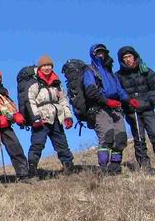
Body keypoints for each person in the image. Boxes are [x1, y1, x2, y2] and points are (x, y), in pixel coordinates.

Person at [83, 44, 138, 175]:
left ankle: (115, 167)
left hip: (116, 108)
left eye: (103, 52)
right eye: (98, 52)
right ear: (93, 54)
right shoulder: (90, 70)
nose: (101, 54)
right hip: (100, 108)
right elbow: (91, 91)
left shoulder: (109, 71)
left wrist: (129, 99)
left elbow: (119, 89)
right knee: (107, 138)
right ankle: (103, 168)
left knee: (120, 137)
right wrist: (107, 101)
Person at [27, 55, 75, 177]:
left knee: (62, 144)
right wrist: (36, 117)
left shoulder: (56, 83)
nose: (47, 68)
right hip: (41, 118)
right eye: (44, 65)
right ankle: (32, 169)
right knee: (37, 144)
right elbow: (30, 101)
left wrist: (68, 116)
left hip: (56, 118)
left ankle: (69, 167)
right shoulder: (35, 84)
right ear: (40, 68)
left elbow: (63, 100)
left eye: (49, 65)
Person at [116, 46, 155, 173]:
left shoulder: (145, 71)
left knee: (154, 133)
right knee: (139, 138)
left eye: (129, 56)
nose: (128, 59)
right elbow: (118, 93)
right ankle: (145, 167)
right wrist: (127, 105)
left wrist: (148, 101)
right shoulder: (118, 76)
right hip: (132, 111)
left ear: (134, 56)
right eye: (125, 57)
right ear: (121, 60)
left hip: (147, 108)